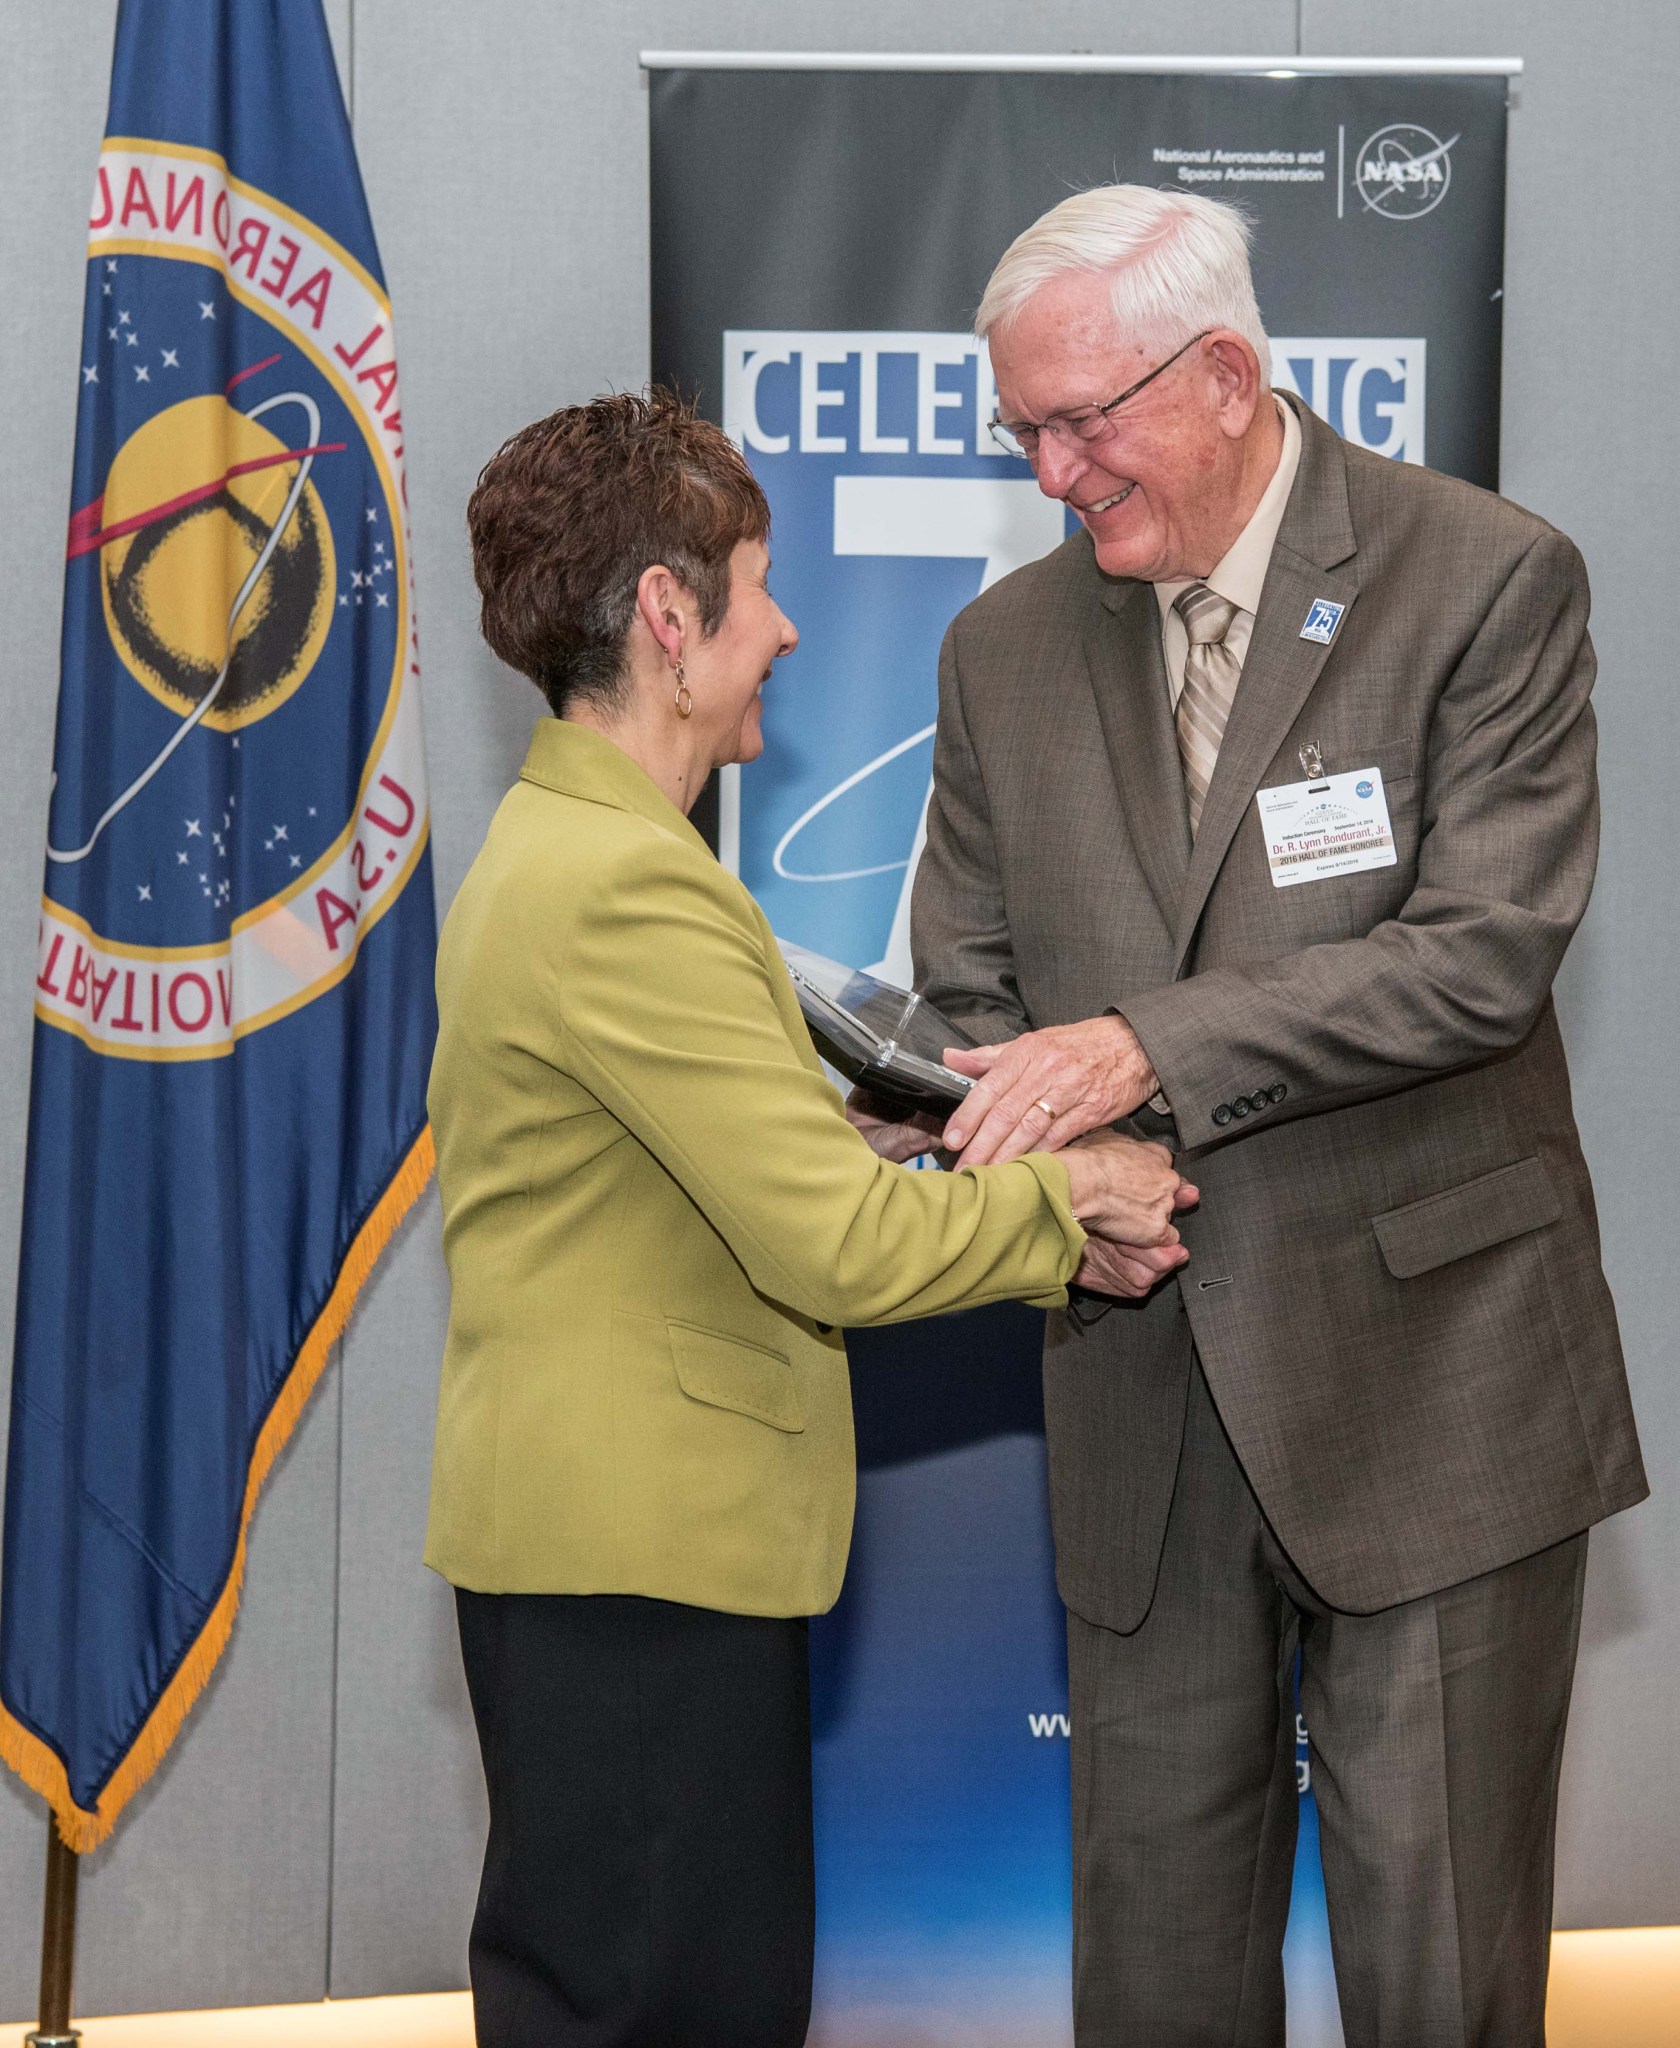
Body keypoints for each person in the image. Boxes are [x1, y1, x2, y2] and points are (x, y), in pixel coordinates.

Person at [897, 187, 1646, 2045]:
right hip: (1139, 1384)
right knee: (1151, 1980)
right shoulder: (1002, 650)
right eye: (1025, 432)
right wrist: (1065, 1161)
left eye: (1087, 420)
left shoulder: (1483, 576)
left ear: (1226, 373)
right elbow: (967, 989)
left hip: (1437, 1391)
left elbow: (1482, 955)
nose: (1056, 472)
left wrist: (1141, 1049)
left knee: (1438, 1977)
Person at [423, 388, 1195, 2048]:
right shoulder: (629, 884)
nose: (784, 629)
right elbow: (831, 1251)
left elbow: (660, 1172)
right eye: (758, 587)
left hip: (608, 1553)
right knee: (665, 2006)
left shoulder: (578, 850)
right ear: (666, 615)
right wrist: (1079, 1192)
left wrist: (845, 1130)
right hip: (642, 1566)